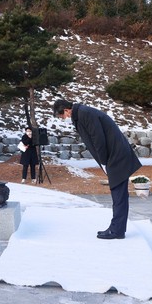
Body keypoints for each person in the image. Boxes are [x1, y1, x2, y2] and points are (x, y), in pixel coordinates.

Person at [53, 99, 142, 240]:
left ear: (66, 110)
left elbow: (98, 139)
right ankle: (117, 228)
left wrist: (103, 161)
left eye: (62, 116)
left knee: (119, 194)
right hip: (114, 154)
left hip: (116, 155)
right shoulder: (81, 114)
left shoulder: (84, 114)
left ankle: (117, 230)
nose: (64, 119)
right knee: (119, 194)